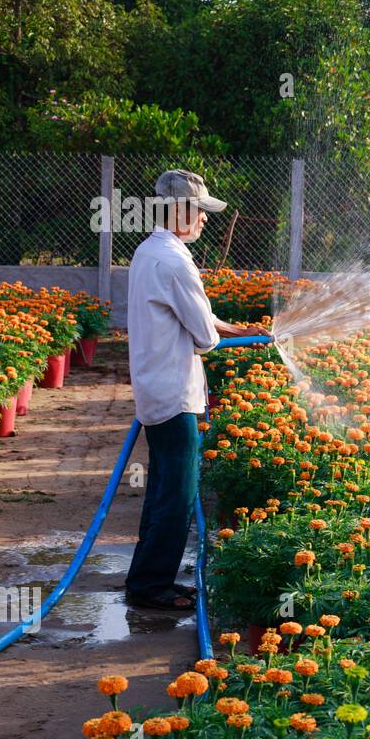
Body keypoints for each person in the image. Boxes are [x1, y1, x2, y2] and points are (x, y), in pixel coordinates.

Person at [124, 169, 265, 610]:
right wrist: (222, 332)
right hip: (174, 394)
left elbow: (194, 318)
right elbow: (204, 337)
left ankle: (147, 578)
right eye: (200, 211)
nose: (205, 220)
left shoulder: (150, 252)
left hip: (157, 389)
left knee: (164, 488)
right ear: (180, 210)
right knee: (178, 494)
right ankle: (152, 588)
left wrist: (234, 326)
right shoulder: (175, 261)